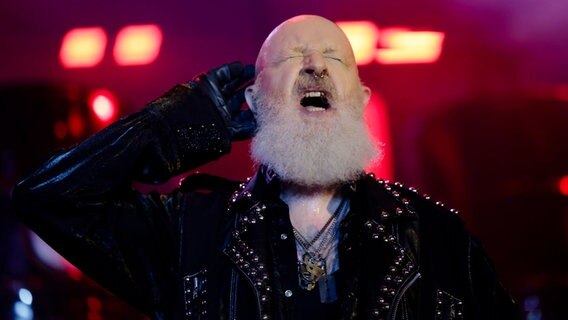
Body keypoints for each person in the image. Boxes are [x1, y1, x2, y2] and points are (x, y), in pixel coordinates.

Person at [11, 15, 518, 320]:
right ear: (253, 100)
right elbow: (48, 198)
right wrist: (172, 127)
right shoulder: (192, 230)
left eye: (334, 59)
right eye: (293, 57)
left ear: (361, 100)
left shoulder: (440, 238)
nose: (315, 67)